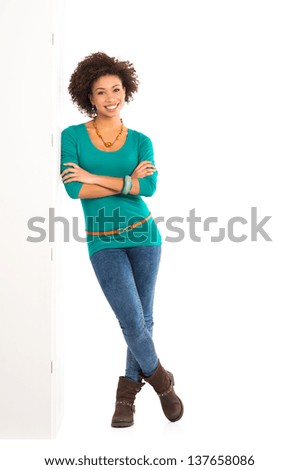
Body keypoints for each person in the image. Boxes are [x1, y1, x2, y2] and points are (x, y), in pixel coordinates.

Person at [60, 51, 183, 428]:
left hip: (145, 235)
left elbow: (148, 187)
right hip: (103, 241)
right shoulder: (73, 136)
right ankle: (162, 381)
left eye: (116, 89)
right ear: (89, 97)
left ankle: (127, 393)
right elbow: (72, 190)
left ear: (126, 90)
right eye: (101, 92)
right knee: (131, 320)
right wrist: (126, 183)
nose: (110, 97)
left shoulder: (141, 141)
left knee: (142, 319)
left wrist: (95, 177)